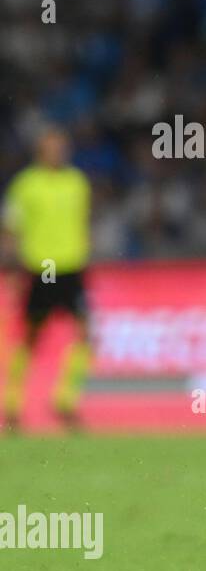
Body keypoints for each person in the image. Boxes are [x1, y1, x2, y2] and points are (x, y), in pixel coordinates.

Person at [2, 125, 94, 432]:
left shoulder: (77, 183)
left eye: (62, 147)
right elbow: (11, 231)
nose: (59, 152)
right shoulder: (26, 185)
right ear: (41, 152)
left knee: (86, 334)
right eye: (53, 147)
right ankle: (13, 405)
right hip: (44, 268)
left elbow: (82, 224)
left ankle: (65, 400)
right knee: (31, 336)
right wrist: (14, 270)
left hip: (71, 268)